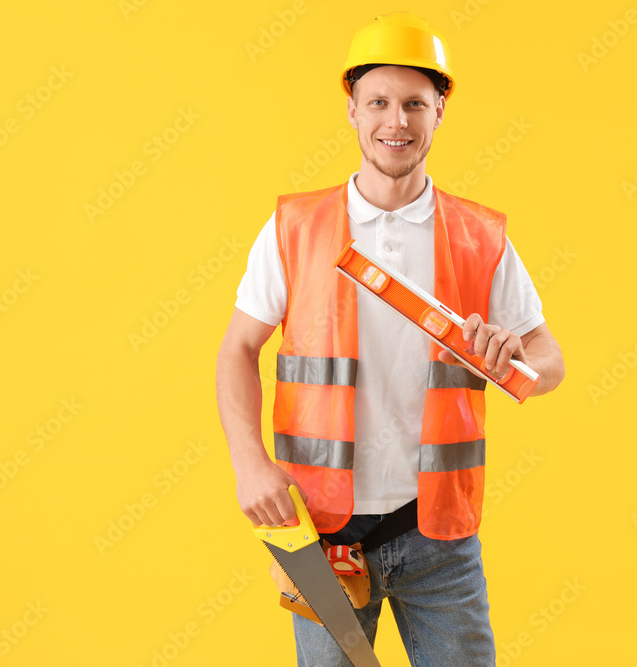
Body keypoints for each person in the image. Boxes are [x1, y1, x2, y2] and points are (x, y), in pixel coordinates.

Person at [216, 11, 564, 666]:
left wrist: (517, 363)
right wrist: (247, 461)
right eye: (378, 101)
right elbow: (237, 348)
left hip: (441, 540)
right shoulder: (296, 227)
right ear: (351, 110)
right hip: (320, 538)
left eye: (414, 103)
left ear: (440, 112)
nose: (395, 121)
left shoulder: (478, 236)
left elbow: (549, 359)